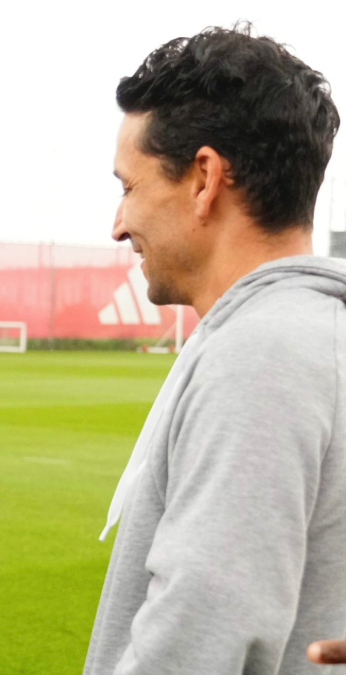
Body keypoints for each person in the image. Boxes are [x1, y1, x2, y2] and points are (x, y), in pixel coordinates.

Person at [85, 25, 346, 675]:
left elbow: (202, 633)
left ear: (204, 178)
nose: (119, 223)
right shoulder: (319, 331)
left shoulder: (261, 355)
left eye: (128, 186)